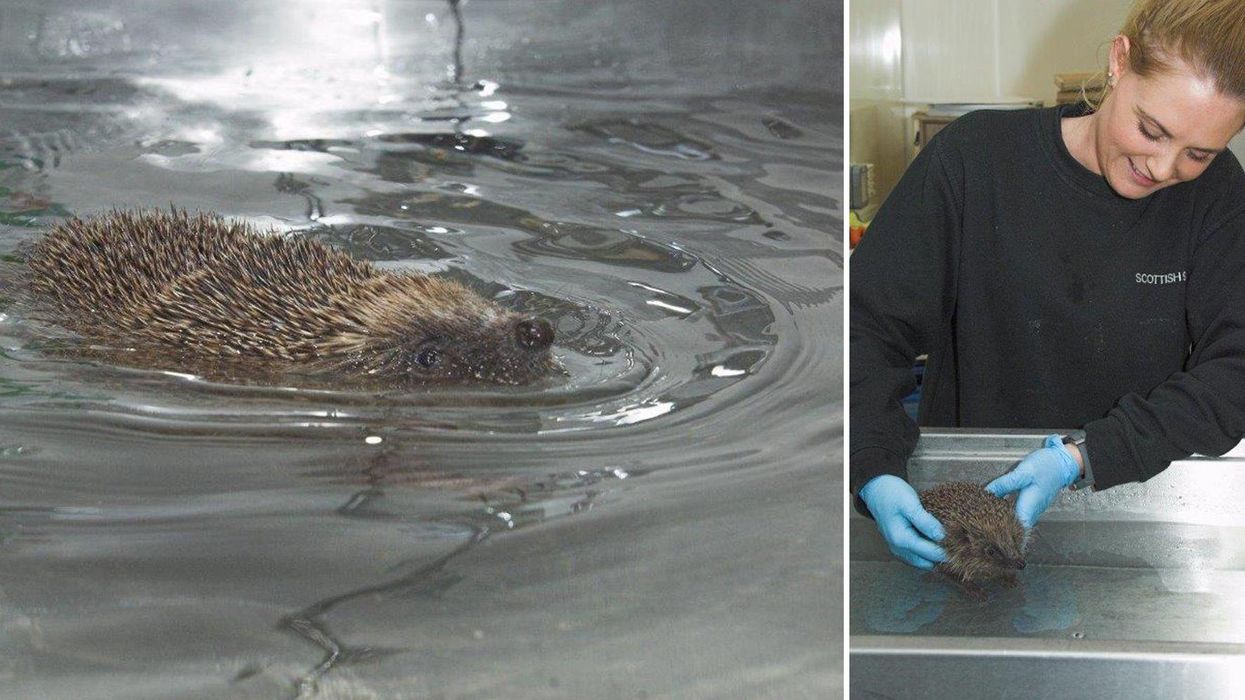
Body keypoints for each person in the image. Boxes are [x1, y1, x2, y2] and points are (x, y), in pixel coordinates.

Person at [850, 0, 1245, 571]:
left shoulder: (1217, 200)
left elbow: (1235, 373)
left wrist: (1087, 457)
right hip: (966, 528)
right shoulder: (974, 160)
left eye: (1198, 153)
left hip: (1132, 515)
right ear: (1119, 61)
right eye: (1150, 130)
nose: (1162, 168)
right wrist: (872, 463)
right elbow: (864, 326)